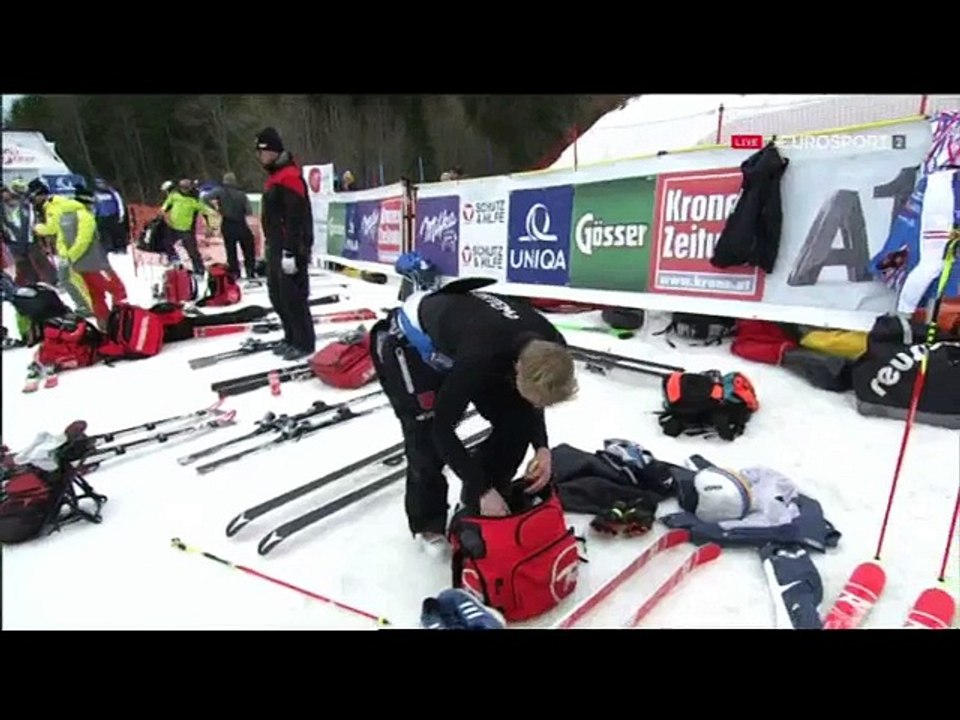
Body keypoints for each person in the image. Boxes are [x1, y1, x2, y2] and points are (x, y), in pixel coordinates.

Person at [369, 279, 578, 554]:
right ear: (516, 370)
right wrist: (481, 488)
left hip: (472, 339)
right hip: (410, 346)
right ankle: (428, 524)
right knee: (426, 439)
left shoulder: (553, 346)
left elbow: (528, 405)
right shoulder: (482, 356)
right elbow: (442, 429)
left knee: (516, 422)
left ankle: (479, 502)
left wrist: (541, 447)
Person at [27, 179, 124, 329]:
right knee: (115, 289)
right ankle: (119, 320)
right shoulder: (83, 215)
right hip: (92, 262)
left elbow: (64, 236)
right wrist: (71, 256)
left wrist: (68, 255)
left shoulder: (65, 212)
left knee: (94, 293)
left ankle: (104, 322)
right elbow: (83, 240)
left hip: (78, 260)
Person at [254, 127, 316, 360]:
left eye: (262, 152)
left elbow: (295, 218)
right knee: (278, 295)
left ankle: (304, 342)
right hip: (276, 244)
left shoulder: (289, 177)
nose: (259, 157)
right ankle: (291, 336)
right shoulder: (274, 178)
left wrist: (291, 251)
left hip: (290, 245)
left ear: (271, 151)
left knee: (293, 296)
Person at [25, 179, 96, 320]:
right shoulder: (57, 204)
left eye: (34, 197)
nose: (34, 201)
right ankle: (86, 305)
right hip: (68, 247)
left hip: (69, 249)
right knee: (70, 279)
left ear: (40, 194)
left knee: (69, 280)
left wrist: (37, 228)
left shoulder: (53, 206)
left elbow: (54, 227)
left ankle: (86, 306)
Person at [2, 180, 57, 286]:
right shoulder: (3, 208)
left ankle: (52, 281)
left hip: (30, 239)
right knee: (23, 266)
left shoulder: (25, 202)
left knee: (40, 261)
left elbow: (31, 218)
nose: (4, 195)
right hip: (14, 241)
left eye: (4, 191)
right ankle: (30, 283)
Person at [160, 178, 218, 277]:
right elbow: (165, 206)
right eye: (183, 188)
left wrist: (211, 224)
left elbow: (205, 211)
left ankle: (199, 270)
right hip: (173, 226)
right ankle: (174, 258)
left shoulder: (194, 200)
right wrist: (162, 213)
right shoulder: (174, 195)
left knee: (192, 250)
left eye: (186, 188)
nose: (184, 190)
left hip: (187, 229)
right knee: (165, 242)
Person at [206, 172, 257, 281]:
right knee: (248, 247)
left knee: (231, 250)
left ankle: (235, 272)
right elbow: (249, 211)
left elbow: (205, 198)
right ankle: (250, 270)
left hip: (227, 223)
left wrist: (217, 208)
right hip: (241, 223)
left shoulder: (219, 191)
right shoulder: (241, 194)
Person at [92, 177, 129, 253]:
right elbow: (94, 205)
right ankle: (108, 248)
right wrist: (94, 216)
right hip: (102, 216)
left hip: (113, 215)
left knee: (116, 232)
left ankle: (120, 247)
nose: (100, 185)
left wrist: (121, 214)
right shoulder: (95, 193)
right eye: (98, 183)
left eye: (102, 183)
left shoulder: (113, 192)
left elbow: (119, 203)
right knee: (104, 233)